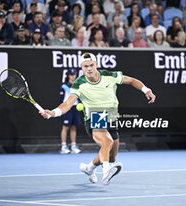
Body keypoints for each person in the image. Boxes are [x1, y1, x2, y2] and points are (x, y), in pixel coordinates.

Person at [40, 52, 156, 185]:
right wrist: (52, 112)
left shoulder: (108, 75)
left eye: (91, 65)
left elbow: (132, 80)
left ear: (96, 65)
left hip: (111, 117)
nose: (89, 68)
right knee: (107, 142)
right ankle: (106, 173)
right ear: (81, 68)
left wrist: (146, 90)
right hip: (95, 117)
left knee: (111, 156)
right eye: (85, 66)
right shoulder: (78, 83)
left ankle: (89, 168)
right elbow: (67, 104)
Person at [59, 69, 82, 154]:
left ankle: (73, 146)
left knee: (73, 127)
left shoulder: (78, 86)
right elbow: (61, 100)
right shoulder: (64, 87)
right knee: (65, 127)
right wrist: (63, 109)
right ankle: (63, 146)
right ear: (68, 76)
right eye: (71, 75)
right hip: (67, 108)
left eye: (74, 75)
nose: (73, 76)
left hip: (75, 108)